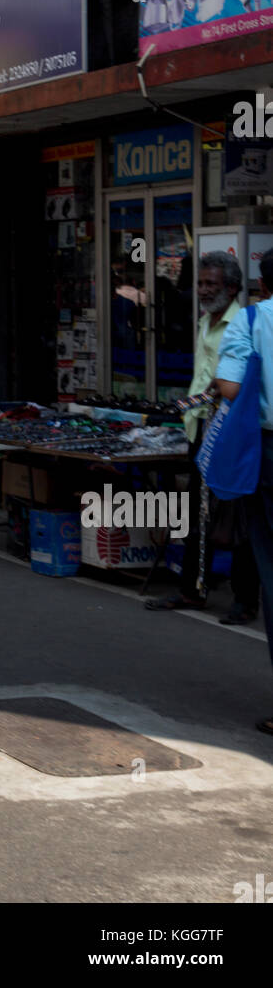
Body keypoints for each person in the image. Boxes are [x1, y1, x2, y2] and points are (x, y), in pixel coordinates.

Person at [146, 251, 256, 615]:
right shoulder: (205, 321)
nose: (204, 290)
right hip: (200, 429)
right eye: (201, 283)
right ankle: (192, 590)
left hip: (229, 435)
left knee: (236, 517)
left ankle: (244, 600)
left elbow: (233, 383)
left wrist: (209, 395)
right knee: (196, 513)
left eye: (212, 284)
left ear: (233, 288)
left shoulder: (242, 324)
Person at [216, 247, 273, 735]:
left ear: (262, 284)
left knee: (271, 567)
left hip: (268, 454)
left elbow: (230, 389)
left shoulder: (252, 320)